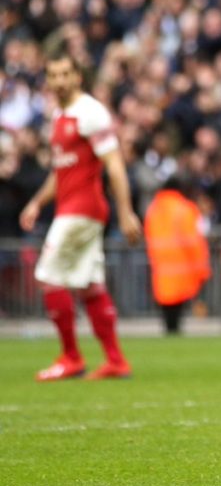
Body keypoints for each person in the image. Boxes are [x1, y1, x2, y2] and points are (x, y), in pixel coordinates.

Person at [18, 49, 142, 381]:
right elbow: (61, 173)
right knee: (90, 286)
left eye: (64, 74)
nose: (58, 81)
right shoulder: (59, 115)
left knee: (48, 276)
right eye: (53, 75)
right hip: (71, 207)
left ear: (77, 77)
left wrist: (126, 212)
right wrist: (37, 203)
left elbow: (114, 164)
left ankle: (70, 357)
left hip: (82, 210)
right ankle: (116, 360)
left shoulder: (91, 113)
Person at [144, 175, 212, 334]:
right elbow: (194, 241)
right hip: (182, 266)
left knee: (167, 309)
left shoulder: (153, 208)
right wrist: (202, 269)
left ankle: (170, 330)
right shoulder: (185, 208)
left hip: (160, 266)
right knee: (177, 310)